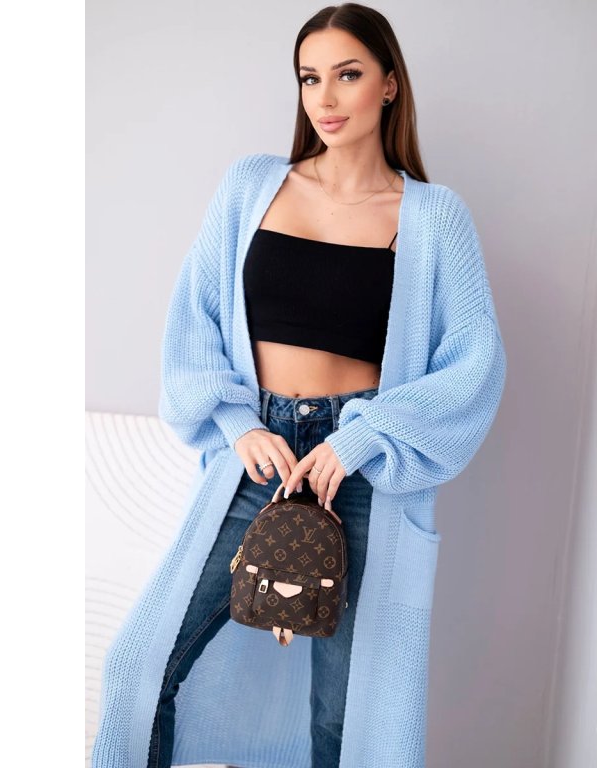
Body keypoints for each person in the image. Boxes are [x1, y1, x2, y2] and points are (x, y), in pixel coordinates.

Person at [92, 4, 506, 768]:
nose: (325, 97)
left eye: (347, 74)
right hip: (258, 460)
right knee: (138, 667)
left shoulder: (434, 218)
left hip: (360, 472)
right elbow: (194, 319)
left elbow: (475, 365)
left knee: (344, 721)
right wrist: (237, 424)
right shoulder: (251, 186)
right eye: (310, 78)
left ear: (389, 84)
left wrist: (362, 438)